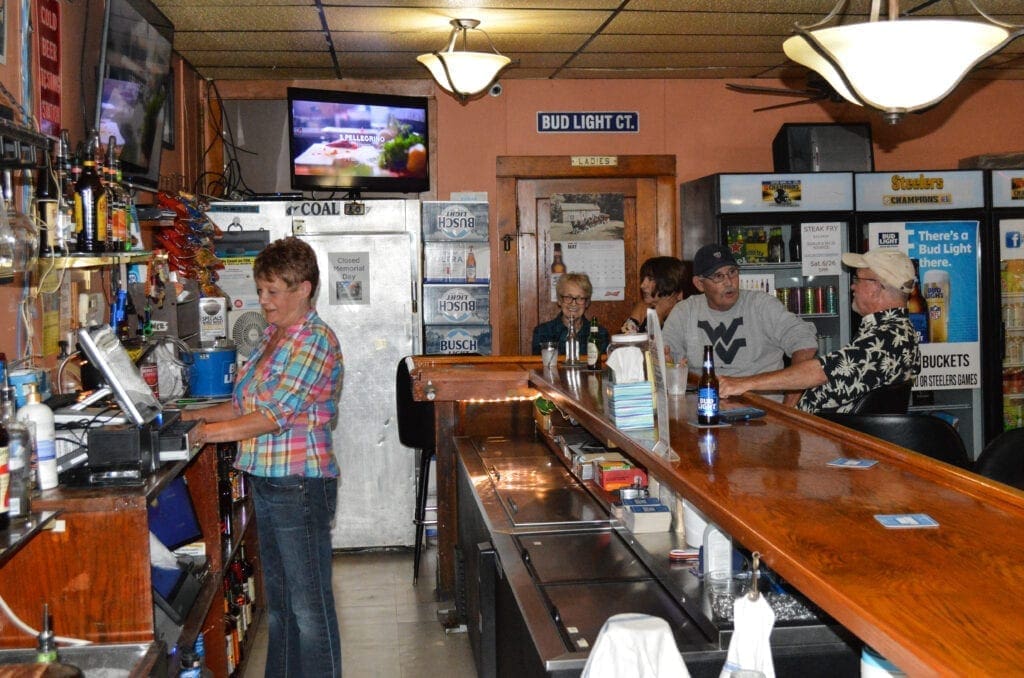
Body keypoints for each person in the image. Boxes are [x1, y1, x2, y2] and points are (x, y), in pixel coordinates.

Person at [182, 237, 343, 677]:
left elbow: (272, 416)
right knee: (281, 607)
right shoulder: (273, 337)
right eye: (261, 290)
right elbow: (242, 403)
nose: (263, 301)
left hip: (300, 484)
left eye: (273, 291)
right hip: (268, 482)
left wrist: (202, 435)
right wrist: (184, 415)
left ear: (304, 289)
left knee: (310, 609)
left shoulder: (313, 342)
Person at [719, 248, 922, 413]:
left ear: (876, 287)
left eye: (857, 279)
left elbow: (818, 373)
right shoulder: (895, 330)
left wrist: (743, 383)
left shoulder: (887, 338)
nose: (853, 287)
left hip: (828, 439)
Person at [662, 243, 818, 404]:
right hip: (704, 408)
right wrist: (665, 362)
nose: (729, 282)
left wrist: (789, 408)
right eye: (718, 276)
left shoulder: (761, 305)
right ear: (699, 284)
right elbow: (667, 359)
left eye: (732, 272)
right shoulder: (685, 311)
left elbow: (805, 343)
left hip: (763, 412)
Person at [532, 272, 610, 355]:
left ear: (587, 302)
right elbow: (539, 365)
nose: (573, 303)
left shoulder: (599, 334)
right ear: (559, 300)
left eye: (580, 298)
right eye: (568, 297)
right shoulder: (543, 332)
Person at [620, 256, 687, 334]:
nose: (642, 285)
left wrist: (658, 314)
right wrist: (634, 318)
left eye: (651, 279)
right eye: (643, 279)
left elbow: (653, 345)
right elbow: (624, 342)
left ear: (670, 283)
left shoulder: (685, 318)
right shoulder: (644, 308)